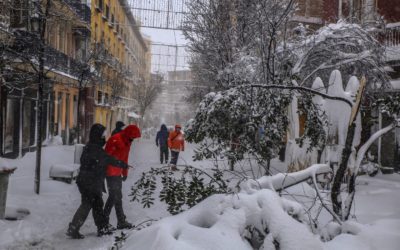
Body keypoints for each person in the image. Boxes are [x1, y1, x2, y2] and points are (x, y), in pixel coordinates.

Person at [67, 124, 130, 239]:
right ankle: (75, 228)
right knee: (88, 205)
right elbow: (108, 159)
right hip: (89, 182)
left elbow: (103, 159)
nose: (104, 137)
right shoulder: (94, 149)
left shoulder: (91, 147)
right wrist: (122, 164)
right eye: (103, 135)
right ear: (97, 135)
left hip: (88, 181)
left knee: (96, 205)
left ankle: (100, 227)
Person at [104, 124, 141, 229]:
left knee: (117, 197)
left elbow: (125, 158)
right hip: (110, 172)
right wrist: (106, 170)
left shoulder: (127, 142)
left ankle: (120, 221)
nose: (133, 139)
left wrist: (124, 173)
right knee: (113, 197)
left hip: (117, 172)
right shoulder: (115, 140)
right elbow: (106, 157)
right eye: (133, 137)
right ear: (129, 134)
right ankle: (104, 222)